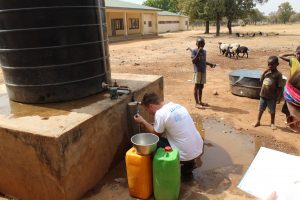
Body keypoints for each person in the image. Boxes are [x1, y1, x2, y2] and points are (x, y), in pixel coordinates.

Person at [133, 92, 203, 176]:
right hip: (198, 148)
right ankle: (190, 163)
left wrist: (143, 121)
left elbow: (156, 134)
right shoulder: (176, 106)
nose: (148, 113)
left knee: (154, 141)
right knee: (179, 138)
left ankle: (162, 168)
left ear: (151, 106)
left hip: (185, 155)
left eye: (147, 110)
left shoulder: (160, 114)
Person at [254, 56, 283, 130]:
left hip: (272, 97)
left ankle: (272, 123)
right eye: (269, 64)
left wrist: (279, 98)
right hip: (263, 95)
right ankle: (258, 121)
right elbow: (261, 80)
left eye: (272, 64)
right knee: (261, 109)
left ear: (277, 64)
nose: (270, 66)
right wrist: (264, 72)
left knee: (272, 111)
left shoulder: (278, 75)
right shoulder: (267, 73)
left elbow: (280, 87)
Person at [191, 37, 216, 108]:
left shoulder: (204, 52)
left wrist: (210, 64)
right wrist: (198, 52)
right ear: (196, 44)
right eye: (199, 44)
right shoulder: (194, 51)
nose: (201, 45)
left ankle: (200, 101)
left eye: (202, 44)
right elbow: (193, 61)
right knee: (196, 86)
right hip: (197, 71)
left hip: (203, 71)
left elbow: (203, 61)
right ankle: (196, 103)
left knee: (201, 87)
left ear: (204, 44)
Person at [279, 46, 300, 128]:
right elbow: (281, 56)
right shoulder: (293, 60)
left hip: (298, 89)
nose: (299, 55)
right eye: (298, 54)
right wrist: (292, 53)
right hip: (291, 89)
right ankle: (289, 120)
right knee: (288, 106)